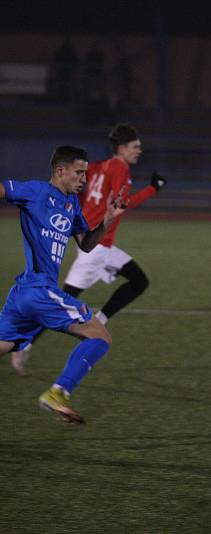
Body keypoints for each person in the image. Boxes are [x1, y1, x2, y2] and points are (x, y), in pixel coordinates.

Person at [8, 124, 166, 374]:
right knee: (60, 299)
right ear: (122, 148)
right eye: (135, 147)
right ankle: (23, 346)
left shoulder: (98, 167)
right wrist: (153, 189)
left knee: (139, 280)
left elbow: (79, 189)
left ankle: (99, 319)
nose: (139, 151)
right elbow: (123, 203)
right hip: (97, 247)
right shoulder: (121, 169)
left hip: (98, 242)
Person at [0, 146, 125, 424]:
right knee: (100, 336)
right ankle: (59, 392)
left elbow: (86, 244)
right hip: (39, 291)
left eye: (86, 173)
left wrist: (107, 220)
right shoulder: (34, 191)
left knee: (4, 343)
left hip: (24, 296)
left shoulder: (71, 205)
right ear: (60, 171)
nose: (84, 178)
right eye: (79, 172)